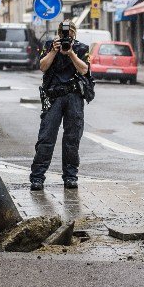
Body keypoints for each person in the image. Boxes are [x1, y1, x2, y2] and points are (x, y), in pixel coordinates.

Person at [29, 20, 90, 191]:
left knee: (72, 139)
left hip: (74, 97)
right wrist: (54, 52)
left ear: (74, 34)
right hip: (54, 96)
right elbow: (42, 66)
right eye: (64, 34)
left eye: (69, 34)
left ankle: (70, 177)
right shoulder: (49, 45)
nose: (66, 37)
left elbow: (84, 69)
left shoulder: (81, 48)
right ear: (58, 33)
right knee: (46, 138)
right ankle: (37, 178)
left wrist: (71, 53)